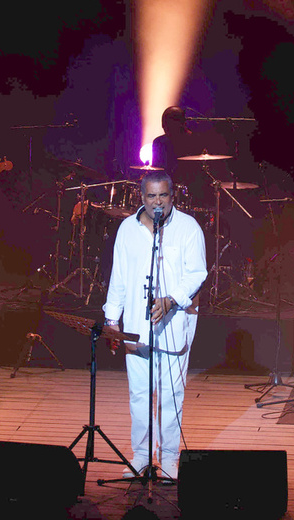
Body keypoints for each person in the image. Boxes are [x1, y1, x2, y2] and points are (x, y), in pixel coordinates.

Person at [103, 170, 207, 480]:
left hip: (174, 324)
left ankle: (170, 459)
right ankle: (142, 456)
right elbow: (118, 276)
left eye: (163, 196)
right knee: (139, 393)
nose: (157, 202)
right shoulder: (127, 229)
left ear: (172, 196)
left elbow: (196, 273)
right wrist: (112, 320)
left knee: (171, 393)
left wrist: (170, 300)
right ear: (142, 197)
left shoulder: (188, 227)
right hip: (136, 325)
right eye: (151, 196)